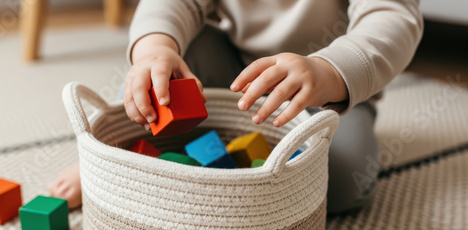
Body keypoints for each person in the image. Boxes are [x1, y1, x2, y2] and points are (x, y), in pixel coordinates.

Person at [50, 0, 423, 213]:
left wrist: (328, 70)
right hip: (231, 64)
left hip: (330, 88)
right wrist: (154, 48)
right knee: (159, 72)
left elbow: (392, 19)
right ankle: (115, 152)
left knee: (341, 186)